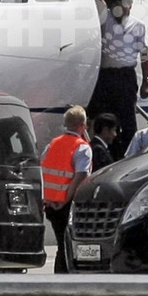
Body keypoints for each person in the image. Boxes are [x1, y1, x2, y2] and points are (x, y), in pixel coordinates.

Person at [87, 0, 148, 160]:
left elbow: (145, 55)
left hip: (126, 76)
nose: (127, 10)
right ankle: (102, 154)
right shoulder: (106, 19)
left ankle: (126, 157)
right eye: (123, 6)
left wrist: (146, 81)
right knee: (102, 117)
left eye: (129, 5)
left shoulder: (137, 26)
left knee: (128, 120)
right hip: (107, 76)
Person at [40, 105, 92, 273]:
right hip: (68, 204)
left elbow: (43, 170)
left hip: (51, 205)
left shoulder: (53, 144)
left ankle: (60, 276)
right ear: (83, 125)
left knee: (61, 245)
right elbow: (80, 176)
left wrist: (49, 199)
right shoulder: (82, 148)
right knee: (69, 247)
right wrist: (64, 200)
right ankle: (66, 279)